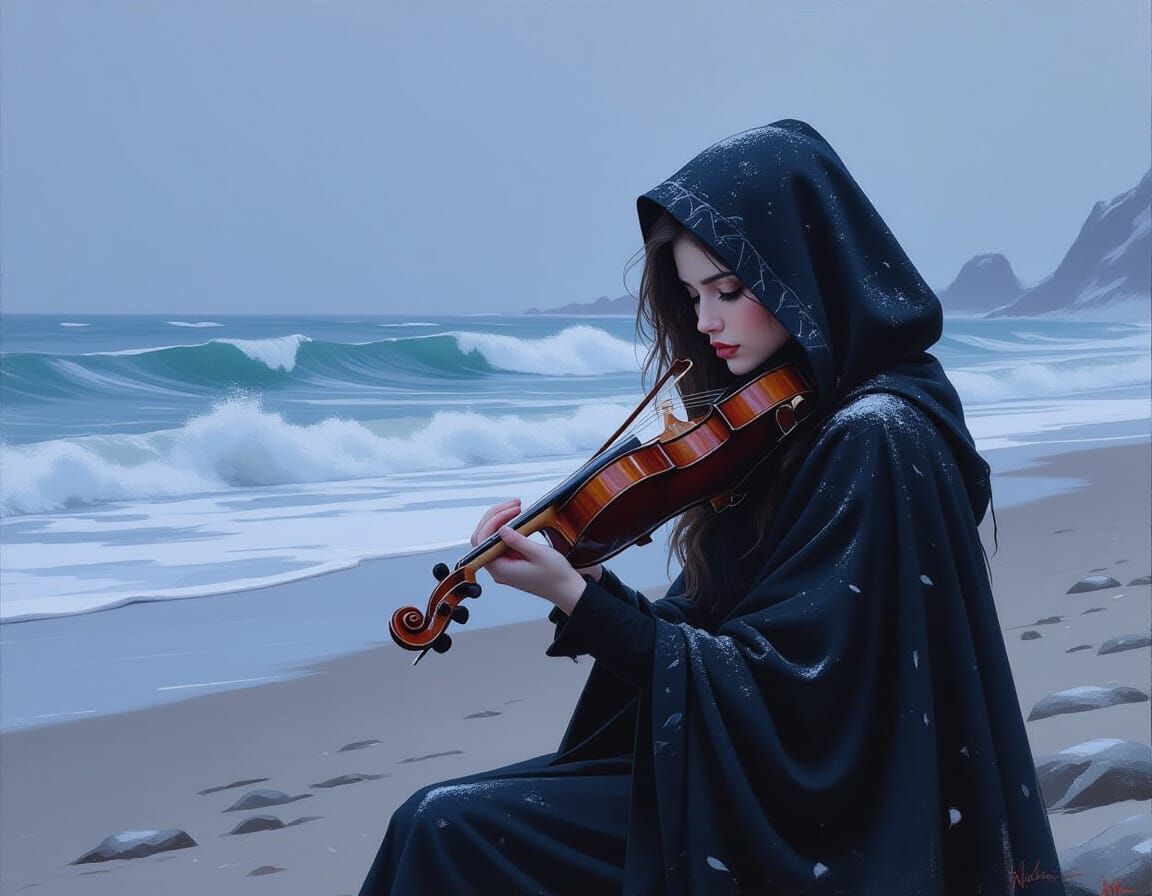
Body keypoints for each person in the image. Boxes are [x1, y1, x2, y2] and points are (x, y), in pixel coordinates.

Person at [357, 119, 1067, 895]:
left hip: (834, 823)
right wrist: (590, 589)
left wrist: (579, 603)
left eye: (729, 290)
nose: (704, 323)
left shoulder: (877, 436)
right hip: (769, 786)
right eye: (693, 295)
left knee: (446, 825)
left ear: (809, 271)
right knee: (437, 818)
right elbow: (738, 638)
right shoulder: (790, 422)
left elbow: (801, 699)